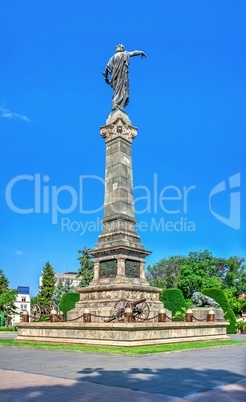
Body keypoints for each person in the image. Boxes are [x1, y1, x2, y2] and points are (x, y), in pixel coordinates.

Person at [103, 44, 147, 111]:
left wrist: (106, 77)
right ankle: (117, 105)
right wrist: (141, 52)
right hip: (122, 76)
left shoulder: (112, 58)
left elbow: (106, 69)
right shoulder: (125, 54)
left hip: (116, 77)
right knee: (122, 90)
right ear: (122, 48)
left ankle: (116, 104)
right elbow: (134, 53)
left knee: (118, 90)